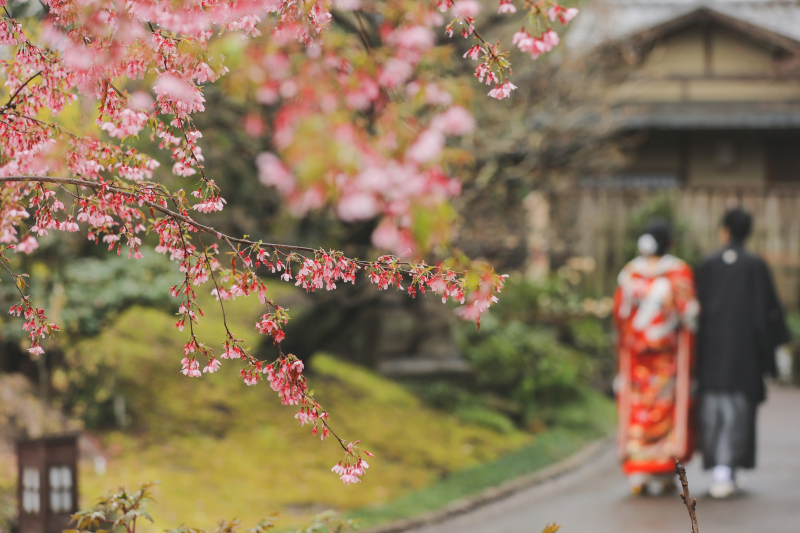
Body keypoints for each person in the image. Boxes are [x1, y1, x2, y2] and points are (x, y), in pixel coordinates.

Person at [695, 207, 790, 499]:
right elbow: (769, 312)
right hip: (745, 356)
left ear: (725, 230)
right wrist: (770, 355)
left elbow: (694, 312)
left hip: (711, 354)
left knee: (713, 410)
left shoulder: (708, 264)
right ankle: (729, 469)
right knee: (739, 411)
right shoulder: (755, 266)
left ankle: (720, 469)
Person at [613, 220, 699, 496]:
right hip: (665, 358)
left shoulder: (629, 274)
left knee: (638, 410)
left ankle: (638, 469)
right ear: (669, 244)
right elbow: (691, 315)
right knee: (664, 410)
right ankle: (662, 470)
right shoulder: (678, 273)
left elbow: (620, 316)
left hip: (638, 359)